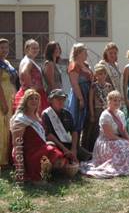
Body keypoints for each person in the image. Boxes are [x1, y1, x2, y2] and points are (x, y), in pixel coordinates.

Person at [80, 91, 129, 178]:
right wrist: (124, 140)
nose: (117, 103)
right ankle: (124, 167)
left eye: (119, 101)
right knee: (123, 148)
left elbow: (123, 130)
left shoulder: (120, 114)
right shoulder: (105, 115)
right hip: (106, 142)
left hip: (117, 139)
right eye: (115, 100)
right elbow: (110, 136)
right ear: (109, 101)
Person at [10, 89, 74, 183]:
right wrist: (20, 169)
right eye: (31, 98)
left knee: (59, 157)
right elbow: (17, 146)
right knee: (54, 155)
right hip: (29, 153)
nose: (34, 101)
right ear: (25, 101)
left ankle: (47, 175)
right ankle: (38, 175)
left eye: (36, 99)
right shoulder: (20, 119)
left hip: (39, 149)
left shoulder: (37, 117)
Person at [42, 89, 91, 162]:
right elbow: (49, 135)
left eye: (63, 99)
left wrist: (74, 149)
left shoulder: (67, 113)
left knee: (89, 157)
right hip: (56, 144)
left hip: (68, 144)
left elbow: (74, 131)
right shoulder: (46, 114)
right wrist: (64, 149)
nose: (60, 101)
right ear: (51, 100)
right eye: (57, 99)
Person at [66, 43, 93, 150]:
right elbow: (74, 84)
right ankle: (75, 148)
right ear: (78, 53)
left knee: (87, 121)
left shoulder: (85, 65)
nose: (86, 54)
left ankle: (85, 146)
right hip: (79, 95)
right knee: (77, 121)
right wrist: (81, 99)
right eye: (84, 52)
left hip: (88, 94)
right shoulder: (74, 65)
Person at [13, 39, 48, 115]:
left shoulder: (29, 60)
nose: (36, 50)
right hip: (32, 95)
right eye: (33, 48)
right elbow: (23, 73)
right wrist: (32, 89)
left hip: (33, 93)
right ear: (27, 49)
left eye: (37, 48)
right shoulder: (28, 61)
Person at [87, 64, 113, 152]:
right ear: (96, 75)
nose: (101, 76)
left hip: (106, 110)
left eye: (103, 74)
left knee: (107, 129)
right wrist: (92, 113)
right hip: (97, 110)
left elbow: (111, 99)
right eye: (99, 74)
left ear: (106, 75)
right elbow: (90, 101)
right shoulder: (94, 86)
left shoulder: (108, 86)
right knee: (96, 130)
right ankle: (94, 149)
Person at [0, 38, 17, 167]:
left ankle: (8, 157)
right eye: (2, 47)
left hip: (10, 95)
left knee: (9, 127)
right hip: (3, 97)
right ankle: (2, 159)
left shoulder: (6, 62)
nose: (4, 50)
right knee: (2, 127)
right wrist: (3, 103)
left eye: (6, 47)